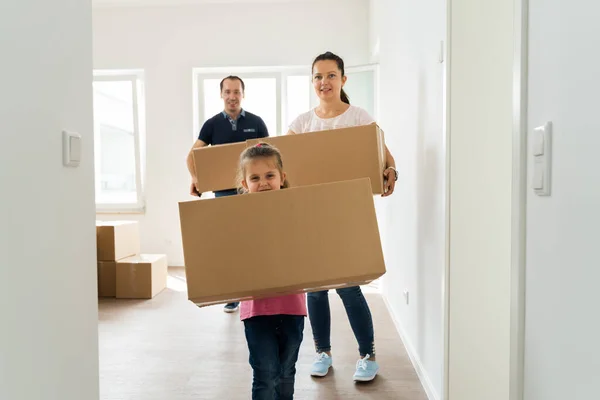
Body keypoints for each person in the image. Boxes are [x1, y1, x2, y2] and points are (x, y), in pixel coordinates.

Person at [286, 51, 398, 382]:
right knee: (316, 290)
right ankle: (322, 352)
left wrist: (391, 169)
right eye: (318, 76)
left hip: (349, 215)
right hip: (312, 215)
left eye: (331, 75)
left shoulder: (359, 117)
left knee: (349, 287)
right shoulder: (302, 123)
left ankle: (368, 356)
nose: (324, 82)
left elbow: (385, 157)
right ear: (312, 82)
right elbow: (282, 163)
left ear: (343, 80)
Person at [186, 75, 269, 313]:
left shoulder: (256, 122)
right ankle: (233, 295)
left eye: (236, 92)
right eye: (228, 92)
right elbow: (191, 155)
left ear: (243, 94)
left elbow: (270, 156)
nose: (232, 96)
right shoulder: (212, 125)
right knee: (231, 244)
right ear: (221, 94)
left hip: (251, 193)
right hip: (223, 194)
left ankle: (255, 292)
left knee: (254, 241)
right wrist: (196, 178)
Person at [236, 142, 307, 400]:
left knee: (287, 371)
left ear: (282, 178)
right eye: (254, 178)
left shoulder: (297, 213)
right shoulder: (237, 218)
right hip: (257, 311)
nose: (263, 182)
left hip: (292, 307)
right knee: (265, 373)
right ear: (245, 183)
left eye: (269, 176)